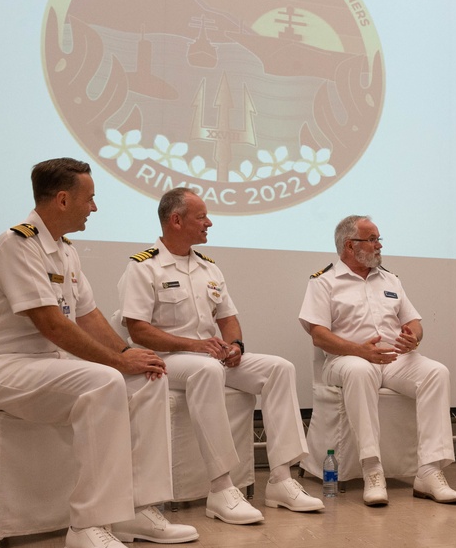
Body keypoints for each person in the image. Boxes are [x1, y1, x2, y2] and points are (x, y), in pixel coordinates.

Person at [0, 158, 197, 548]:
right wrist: (116, 363)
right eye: (90, 199)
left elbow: (88, 316)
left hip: (43, 368)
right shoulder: (18, 244)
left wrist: (127, 356)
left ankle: (136, 509)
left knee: (149, 378)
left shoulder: (65, 251)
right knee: (104, 381)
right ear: (63, 199)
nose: (95, 208)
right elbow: (52, 324)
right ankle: (87, 528)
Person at [117, 187, 322, 523]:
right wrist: (194, 345)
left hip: (210, 355)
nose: (209, 222)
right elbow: (137, 330)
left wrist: (236, 346)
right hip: (167, 358)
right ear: (177, 220)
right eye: (202, 217)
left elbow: (228, 319)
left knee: (278, 368)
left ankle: (281, 479)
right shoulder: (144, 267)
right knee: (206, 371)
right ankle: (221, 486)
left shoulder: (209, 268)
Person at [298, 215, 456, 506]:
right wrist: (359, 351)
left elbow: (413, 321)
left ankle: (429, 471)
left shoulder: (390, 279)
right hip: (345, 359)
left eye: (378, 239)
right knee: (361, 370)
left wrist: (414, 337)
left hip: (393, 358)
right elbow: (319, 335)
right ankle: (372, 469)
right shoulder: (324, 282)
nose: (379, 245)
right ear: (351, 246)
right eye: (372, 239)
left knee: (436, 372)